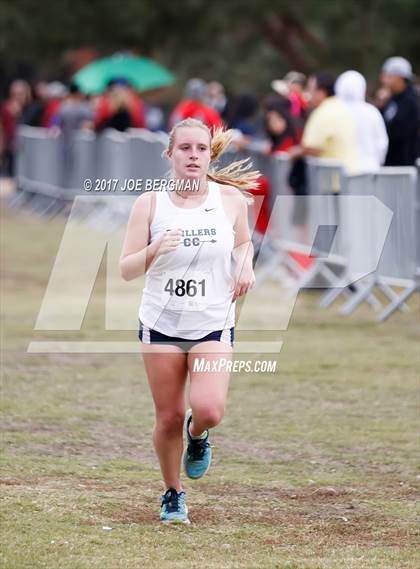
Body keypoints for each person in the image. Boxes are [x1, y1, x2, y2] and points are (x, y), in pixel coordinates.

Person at [119, 118, 259, 524]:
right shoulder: (148, 203)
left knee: (209, 409)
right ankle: (172, 493)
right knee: (167, 416)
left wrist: (245, 265)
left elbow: (244, 241)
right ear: (170, 154)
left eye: (200, 148)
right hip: (161, 325)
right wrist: (155, 249)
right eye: (185, 148)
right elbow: (127, 269)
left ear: (208, 153)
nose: (193, 155)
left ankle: (197, 435)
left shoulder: (229, 199)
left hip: (213, 321)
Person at [290, 71, 358, 175]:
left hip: (332, 181)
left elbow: (312, 147)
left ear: (321, 91)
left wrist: (295, 152)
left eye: (310, 88)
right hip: (348, 174)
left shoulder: (322, 112)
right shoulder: (341, 107)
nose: (308, 93)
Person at [335, 70, 388, 173]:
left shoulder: (335, 112)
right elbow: (382, 143)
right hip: (370, 169)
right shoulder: (372, 112)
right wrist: (377, 161)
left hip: (343, 172)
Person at [380, 57, 419, 166]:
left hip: (404, 166)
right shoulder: (391, 99)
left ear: (400, 78)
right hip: (391, 164)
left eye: (388, 76)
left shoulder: (411, 102)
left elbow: (396, 132)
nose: (383, 80)